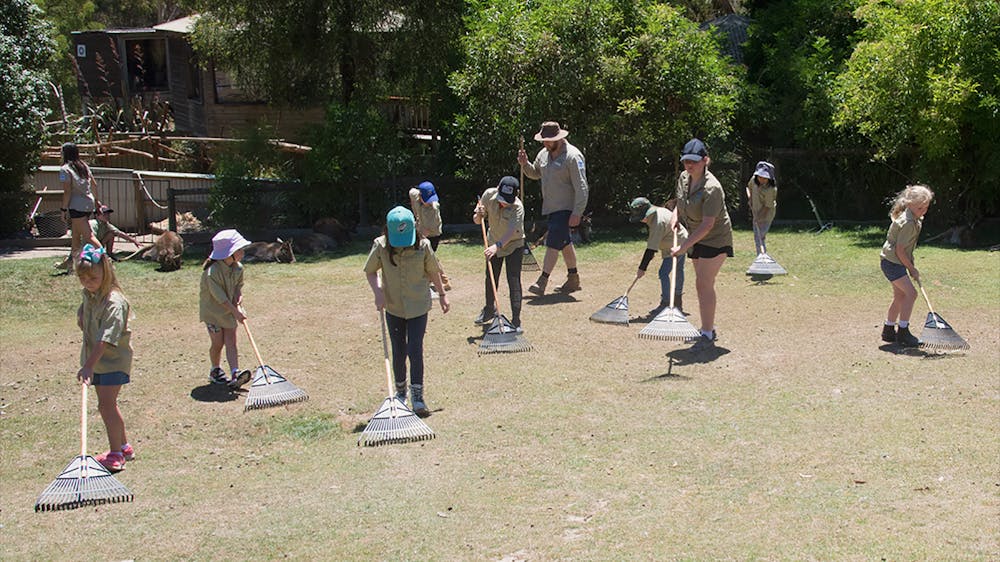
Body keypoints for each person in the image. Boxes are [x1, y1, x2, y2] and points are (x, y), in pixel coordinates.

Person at [365, 206, 450, 417]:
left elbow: (433, 271)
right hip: (393, 307)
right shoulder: (380, 246)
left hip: (418, 306)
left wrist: (442, 295)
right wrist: (378, 292)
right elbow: (370, 271)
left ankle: (418, 397)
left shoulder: (423, 246)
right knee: (398, 350)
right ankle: (400, 393)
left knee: (415, 349)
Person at [74, 244, 134, 472]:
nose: (88, 282)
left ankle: (116, 454)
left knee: (106, 406)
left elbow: (107, 338)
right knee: (108, 405)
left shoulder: (114, 302)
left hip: (112, 361)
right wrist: (81, 311)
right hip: (97, 361)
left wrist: (88, 366)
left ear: (106, 272)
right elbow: (87, 312)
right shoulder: (91, 295)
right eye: (83, 278)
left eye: (93, 277)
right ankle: (124, 446)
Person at [669, 138, 734, 349]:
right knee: (702, 282)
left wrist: (683, 247)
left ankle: (706, 332)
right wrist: (675, 216)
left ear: (705, 160)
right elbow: (680, 201)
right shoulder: (683, 178)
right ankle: (708, 327)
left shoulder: (712, 188)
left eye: (694, 161)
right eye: (686, 161)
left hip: (715, 237)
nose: (689, 165)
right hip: (695, 236)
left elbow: (707, 225)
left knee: (703, 283)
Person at [518, 121, 589, 295]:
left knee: (553, 243)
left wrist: (577, 213)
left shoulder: (573, 156)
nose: (545, 143)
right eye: (543, 140)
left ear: (558, 138)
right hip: (551, 207)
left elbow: (582, 187)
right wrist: (525, 164)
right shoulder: (543, 154)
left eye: (548, 140)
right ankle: (573, 279)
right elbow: (535, 173)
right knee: (564, 243)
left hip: (566, 209)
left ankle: (542, 280)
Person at [879, 184, 933, 347]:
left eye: (926, 207)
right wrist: (911, 268)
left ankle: (888, 330)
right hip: (893, 263)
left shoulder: (914, 218)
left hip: (894, 261)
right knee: (911, 294)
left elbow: (906, 249)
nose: (923, 211)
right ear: (909, 204)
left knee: (900, 296)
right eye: (920, 208)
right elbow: (900, 250)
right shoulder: (908, 222)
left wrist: (911, 263)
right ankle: (903, 332)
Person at [199, 229, 253, 389]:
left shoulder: (238, 268)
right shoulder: (212, 272)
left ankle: (235, 372)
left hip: (229, 311)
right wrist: (235, 312)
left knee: (231, 341)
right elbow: (220, 298)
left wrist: (239, 302)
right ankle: (215, 370)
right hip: (213, 313)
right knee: (218, 343)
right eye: (239, 250)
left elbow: (237, 288)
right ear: (229, 253)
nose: (242, 253)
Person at [473, 176, 526, 329]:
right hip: (493, 241)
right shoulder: (488, 195)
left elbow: (511, 232)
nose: (503, 203)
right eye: (502, 198)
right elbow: (477, 220)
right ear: (497, 189)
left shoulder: (518, 207)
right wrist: (479, 215)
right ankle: (489, 310)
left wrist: (497, 246)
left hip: (514, 245)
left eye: (507, 200)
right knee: (490, 277)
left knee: (513, 280)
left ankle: (516, 320)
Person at [629, 197, 689, 314]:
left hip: (678, 243)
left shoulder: (658, 221)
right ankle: (677, 301)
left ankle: (667, 302)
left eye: (641, 218)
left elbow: (651, 249)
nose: (641, 221)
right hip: (677, 241)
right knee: (678, 270)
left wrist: (642, 268)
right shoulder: (656, 214)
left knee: (664, 272)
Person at [57, 143, 103, 272]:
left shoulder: (65, 169)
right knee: (76, 236)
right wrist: (97, 201)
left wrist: (63, 209)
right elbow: (94, 184)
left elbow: (67, 191)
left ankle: (106, 260)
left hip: (76, 206)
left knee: (89, 237)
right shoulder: (83, 166)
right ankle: (73, 267)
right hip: (88, 203)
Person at [408, 181, 452, 291]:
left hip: (433, 234)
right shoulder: (416, 196)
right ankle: (437, 280)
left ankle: (441, 281)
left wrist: (417, 228)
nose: (429, 202)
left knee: (429, 258)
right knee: (429, 258)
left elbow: (426, 231)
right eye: (427, 199)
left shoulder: (433, 210)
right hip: (422, 230)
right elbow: (411, 192)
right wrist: (416, 213)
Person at [746, 161, 777, 255]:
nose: (762, 179)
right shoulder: (753, 180)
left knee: (760, 236)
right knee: (757, 236)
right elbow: (748, 188)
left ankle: (762, 256)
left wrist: (758, 217)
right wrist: (750, 198)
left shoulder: (771, 189)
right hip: (756, 211)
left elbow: (767, 206)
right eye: (760, 177)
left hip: (766, 214)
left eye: (765, 178)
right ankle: (760, 256)